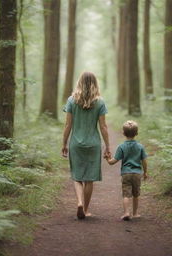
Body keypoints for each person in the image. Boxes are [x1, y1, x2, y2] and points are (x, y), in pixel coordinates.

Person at [62, 71, 110, 219]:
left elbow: (67, 125)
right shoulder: (100, 102)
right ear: (95, 83)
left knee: (77, 177)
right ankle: (86, 209)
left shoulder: (71, 100)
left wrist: (64, 143)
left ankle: (79, 202)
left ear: (79, 82)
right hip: (93, 144)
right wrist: (108, 146)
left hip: (76, 143)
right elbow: (103, 127)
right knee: (89, 178)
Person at [105, 120, 148, 221]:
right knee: (136, 194)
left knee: (126, 194)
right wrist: (145, 172)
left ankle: (126, 213)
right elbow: (144, 161)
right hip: (137, 174)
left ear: (123, 133)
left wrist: (107, 158)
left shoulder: (121, 147)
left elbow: (112, 162)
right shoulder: (140, 146)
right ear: (136, 133)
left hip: (126, 174)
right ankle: (135, 213)